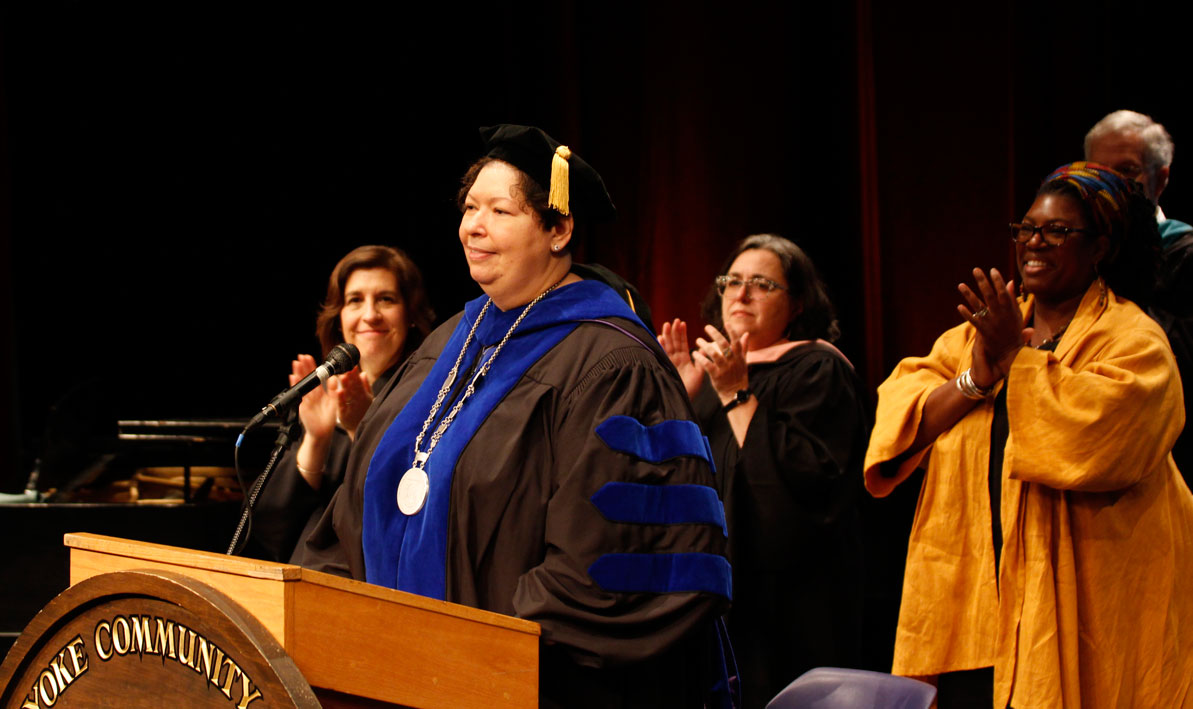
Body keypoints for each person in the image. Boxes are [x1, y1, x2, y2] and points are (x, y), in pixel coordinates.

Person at [301, 125, 732, 708]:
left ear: (558, 229)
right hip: (387, 680)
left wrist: (462, 655)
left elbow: (606, 567)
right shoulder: (449, 342)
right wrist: (327, 609)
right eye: (470, 208)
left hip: (519, 687)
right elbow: (357, 508)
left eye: (500, 210)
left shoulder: (613, 365)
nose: (472, 227)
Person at [865, 162, 1193, 707]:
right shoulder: (980, 332)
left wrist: (1015, 360)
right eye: (1027, 229)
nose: (1035, 242)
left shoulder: (1135, 341)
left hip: (1093, 603)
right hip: (976, 609)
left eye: (1058, 231)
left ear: (1100, 248)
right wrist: (977, 378)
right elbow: (902, 420)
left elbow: (1093, 443)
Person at [657, 234, 868, 708]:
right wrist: (676, 398)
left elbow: (804, 487)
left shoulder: (817, 370)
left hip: (787, 610)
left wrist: (735, 393)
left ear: (796, 305)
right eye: (732, 281)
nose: (741, 293)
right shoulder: (711, 378)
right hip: (710, 603)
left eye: (761, 284)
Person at [251, 245, 435, 563]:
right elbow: (268, 528)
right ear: (339, 319)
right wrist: (317, 438)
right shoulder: (323, 395)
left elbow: (409, 518)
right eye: (355, 301)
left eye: (386, 299)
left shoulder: (430, 395)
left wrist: (362, 431)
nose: (370, 315)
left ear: (411, 316)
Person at [1085, 109, 1193, 482]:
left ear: (1159, 179)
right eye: (1098, 170)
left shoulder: (1184, 254)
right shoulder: (1075, 254)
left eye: (1127, 170)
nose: (1110, 183)